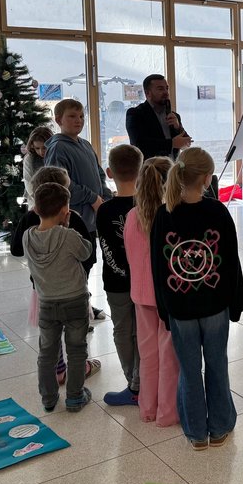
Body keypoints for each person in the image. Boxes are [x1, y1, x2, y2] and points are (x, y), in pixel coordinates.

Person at [151, 148, 243, 449]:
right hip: (215, 305)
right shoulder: (218, 212)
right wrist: (237, 303)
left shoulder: (163, 215)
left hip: (180, 308)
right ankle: (220, 426)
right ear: (207, 178)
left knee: (189, 371)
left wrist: (164, 309)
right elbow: (231, 262)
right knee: (217, 365)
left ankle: (195, 433)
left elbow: (158, 268)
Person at [10, 165, 100, 387]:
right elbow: (88, 254)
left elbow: (16, 249)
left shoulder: (29, 220)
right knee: (76, 338)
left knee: (49, 338)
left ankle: (58, 371)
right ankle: (80, 371)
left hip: (42, 290)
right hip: (73, 291)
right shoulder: (72, 219)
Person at [23, 181, 95, 413]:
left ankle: (48, 398)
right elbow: (86, 251)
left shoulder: (27, 237)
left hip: (46, 302)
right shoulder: (68, 235)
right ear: (66, 211)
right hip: (75, 301)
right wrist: (68, 226)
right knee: (76, 350)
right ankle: (75, 397)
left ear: (36, 209)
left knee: (47, 352)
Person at [125, 157, 180, 427]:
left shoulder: (132, 216)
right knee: (169, 356)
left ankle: (148, 407)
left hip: (141, 294)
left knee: (147, 355)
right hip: (167, 295)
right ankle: (168, 412)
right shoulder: (171, 215)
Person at [97, 144, 143, 407]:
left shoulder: (104, 210)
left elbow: (107, 248)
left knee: (123, 331)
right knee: (143, 331)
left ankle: (133, 386)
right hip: (145, 283)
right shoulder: (149, 205)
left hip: (116, 284)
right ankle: (142, 381)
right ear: (141, 170)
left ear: (109, 172)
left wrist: (124, 273)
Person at [45, 98, 112, 237]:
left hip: (93, 219)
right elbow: (60, 186)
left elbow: (99, 174)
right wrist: (92, 197)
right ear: (58, 120)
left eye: (81, 116)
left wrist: (105, 198)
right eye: (72, 116)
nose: (78, 120)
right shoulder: (58, 148)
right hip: (74, 221)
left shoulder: (86, 144)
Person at [125, 74, 193, 159]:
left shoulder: (174, 116)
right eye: (160, 89)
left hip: (173, 166)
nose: (166, 92)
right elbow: (138, 144)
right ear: (147, 93)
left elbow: (186, 143)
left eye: (166, 88)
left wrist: (178, 127)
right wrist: (171, 144)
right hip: (150, 166)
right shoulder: (135, 114)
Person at [22, 125, 53, 205]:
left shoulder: (56, 155)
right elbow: (28, 182)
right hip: (36, 201)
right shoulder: (29, 159)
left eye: (44, 148)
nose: (41, 152)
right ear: (32, 146)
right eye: (37, 148)